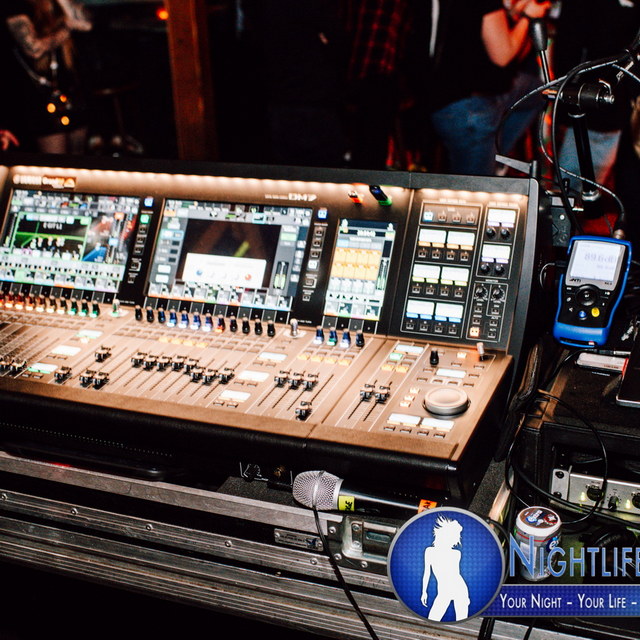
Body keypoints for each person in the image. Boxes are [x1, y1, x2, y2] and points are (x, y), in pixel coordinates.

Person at [421, 0, 551, 176]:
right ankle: (494, 160)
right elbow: (503, 56)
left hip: (451, 98)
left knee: (537, 91)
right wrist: (528, 17)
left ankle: (496, 157)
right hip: (470, 106)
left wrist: (516, 15)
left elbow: (510, 56)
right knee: (473, 189)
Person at [1, 0, 92, 154]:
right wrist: (67, 28)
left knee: (79, 157)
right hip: (38, 94)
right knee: (56, 161)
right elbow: (34, 49)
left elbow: (86, 24)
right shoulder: (15, 6)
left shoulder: (56, 4)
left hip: (69, 89)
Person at [421, 515, 469, 622]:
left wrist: (465, 597)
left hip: (459, 589)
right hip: (444, 591)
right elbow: (426, 573)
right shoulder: (429, 551)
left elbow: (455, 575)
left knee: (462, 621)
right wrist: (424, 592)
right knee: (433, 619)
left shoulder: (456, 554)